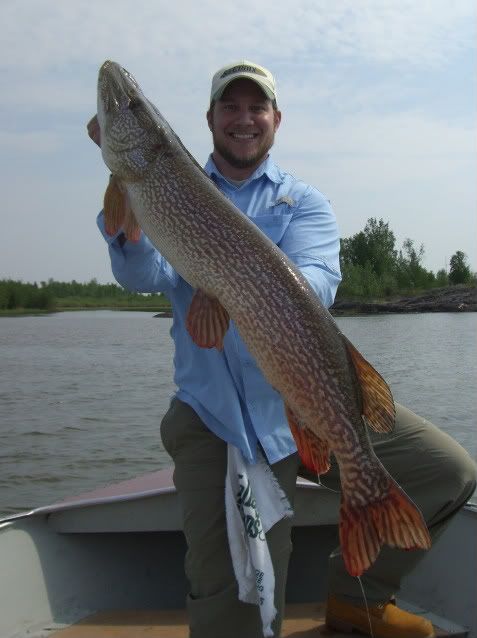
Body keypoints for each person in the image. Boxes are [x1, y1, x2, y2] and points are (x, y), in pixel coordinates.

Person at [88, 60, 477, 638]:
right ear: (210, 119)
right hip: (216, 420)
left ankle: (356, 599)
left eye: (256, 107)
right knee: (240, 599)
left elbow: (318, 287)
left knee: (448, 472)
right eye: (230, 107)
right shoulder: (159, 186)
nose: (244, 118)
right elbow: (143, 274)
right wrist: (129, 220)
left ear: (275, 119)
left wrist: (235, 271)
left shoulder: (305, 202)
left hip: (309, 396)